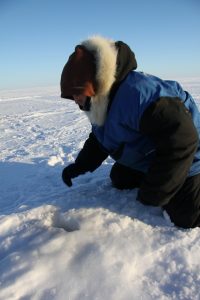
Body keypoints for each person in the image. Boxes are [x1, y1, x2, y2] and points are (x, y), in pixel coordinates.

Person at [60, 35, 200, 229]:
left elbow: (182, 141)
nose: (74, 99)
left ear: (94, 83)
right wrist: (80, 166)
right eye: (71, 95)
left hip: (191, 158)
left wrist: (157, 190)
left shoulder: (140, 96)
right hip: (154, 153)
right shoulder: (103, 100)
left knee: (187, 215)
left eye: (77, 92)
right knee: (121, 178)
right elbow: (100, 137)